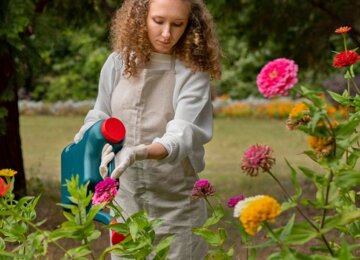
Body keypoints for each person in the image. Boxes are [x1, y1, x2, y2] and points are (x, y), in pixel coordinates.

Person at [74, 0, 221, 258]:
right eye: (158, 21)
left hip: (176, 204)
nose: (167, 34)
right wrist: (89, 132)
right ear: (141, 17)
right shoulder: (118, 62)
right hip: (125, 200)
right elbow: (101, 111)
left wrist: (137, 152)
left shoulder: (192, 72)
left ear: (190, 25)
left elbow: (181, 134)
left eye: (178, 25)